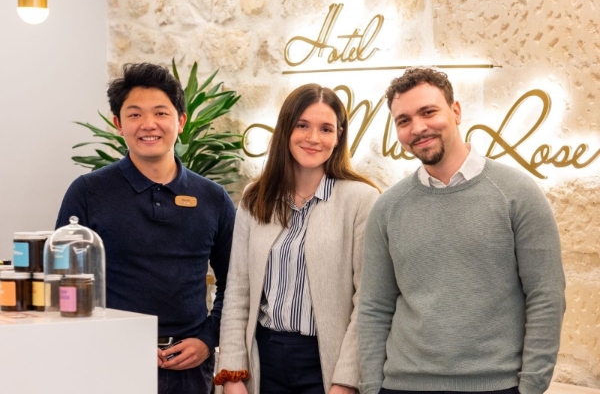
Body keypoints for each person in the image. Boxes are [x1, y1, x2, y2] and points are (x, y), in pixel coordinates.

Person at [358, 68, 566, 394]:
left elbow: (546, 297)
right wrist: (371, 388)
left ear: (455, 111)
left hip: (496, 386)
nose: (418, 127)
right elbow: (373, 307)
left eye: (429, 112)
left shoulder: (518, 193)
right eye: (404, 120)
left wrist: (531, 388)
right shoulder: (387, 207)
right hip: (402, 385)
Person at [56, 63, 236, 394]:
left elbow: (237, 284)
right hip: (110, 363)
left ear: (180, 121)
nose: (148, 124)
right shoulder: (87, 192)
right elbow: (64, 287)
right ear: (118, 124)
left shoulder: (214, 198)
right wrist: (114, 340)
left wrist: (207, 340)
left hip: (190, 369)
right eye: (135, 114)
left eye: (160, 113)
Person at [214, 83, 380, 394]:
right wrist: (232, 375)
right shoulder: (256, 196)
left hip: (324, 365)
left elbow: (368, 302)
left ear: (339, 136)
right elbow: (238, 292)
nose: (313, 138)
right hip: (262, 361)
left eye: (326, 128)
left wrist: (346, 380)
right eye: (302, 125)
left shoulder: (361, 200)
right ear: (285, 129)